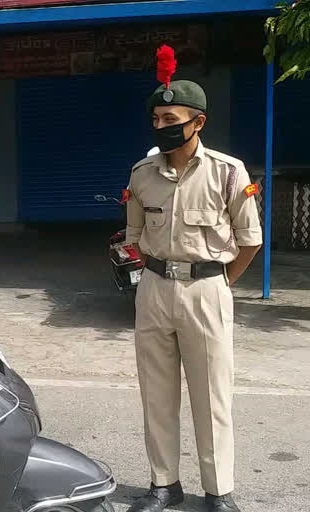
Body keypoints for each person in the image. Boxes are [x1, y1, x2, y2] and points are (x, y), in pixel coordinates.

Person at [125, 46, 262, 512]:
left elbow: (250, 241)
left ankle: (218, 491)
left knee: (211, 395)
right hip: (155, 288)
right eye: (157, 118)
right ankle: (164, 484)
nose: (162, 126)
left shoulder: (228, 172)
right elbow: (135, 236)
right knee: (156, 393)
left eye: (172, 119)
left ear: (197, 122)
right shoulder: (143, 174)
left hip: (207, 287)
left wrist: (222, 282)